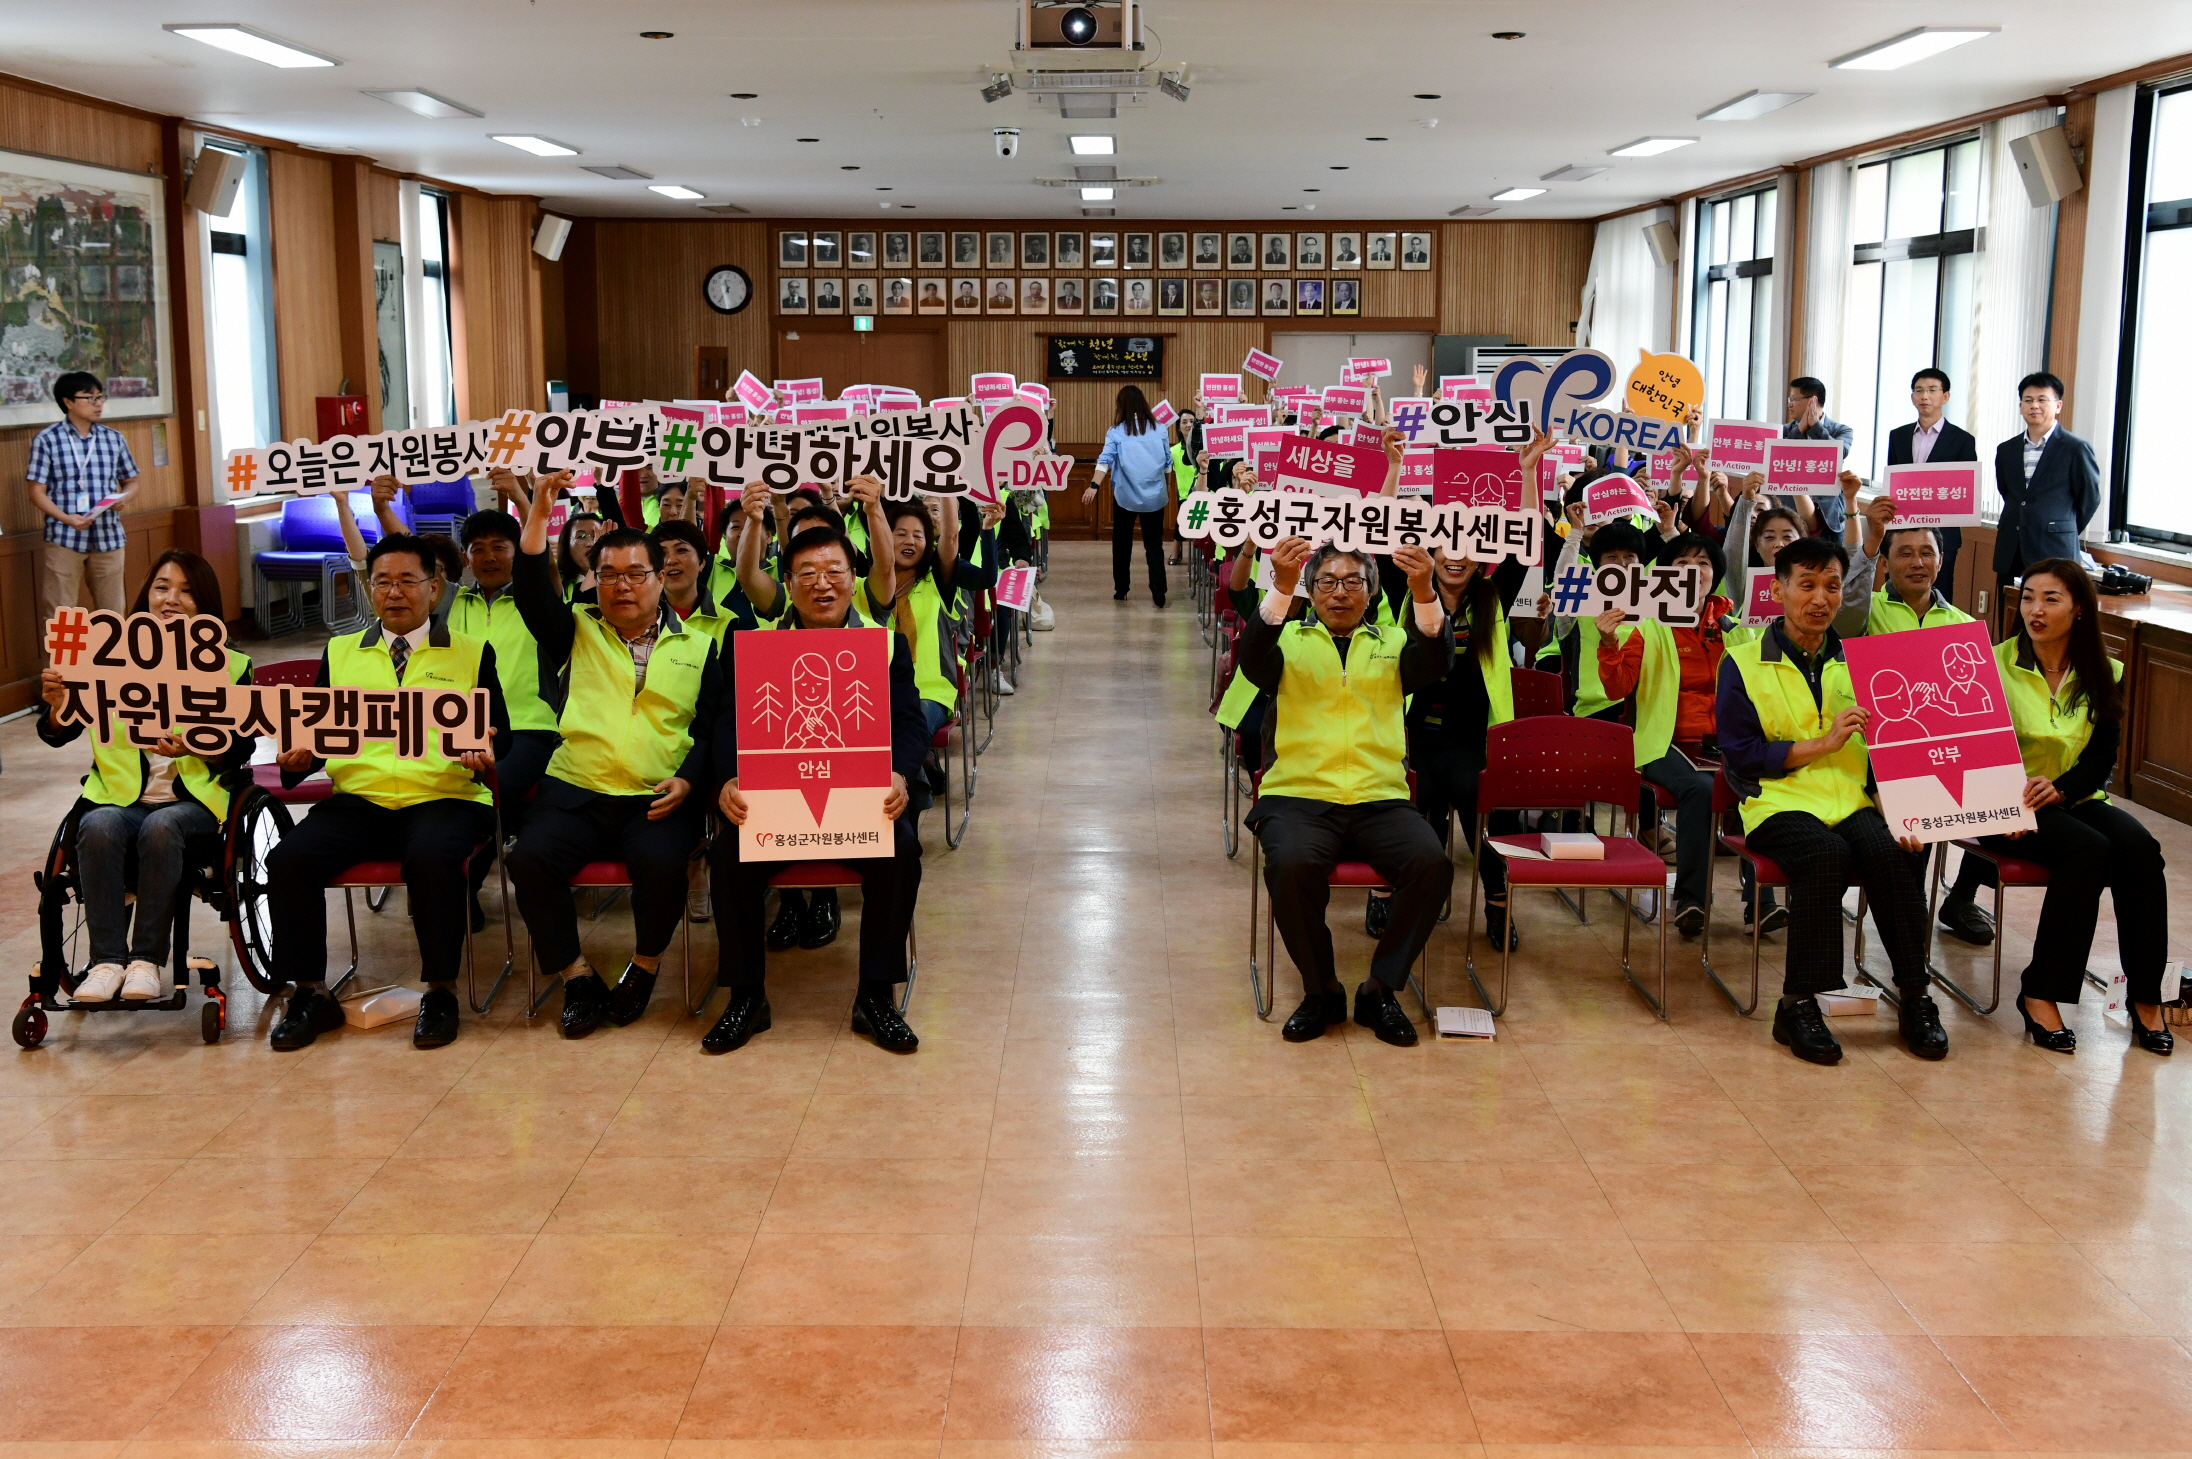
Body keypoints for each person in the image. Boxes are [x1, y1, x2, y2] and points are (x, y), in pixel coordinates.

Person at [266, 533, 509, 1052]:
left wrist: (484, 749)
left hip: (445, 797)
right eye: (382, 582)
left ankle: (440, 992)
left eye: (407, 581)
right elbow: (320, 736)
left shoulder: (471, 652)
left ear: (435, 587)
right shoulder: (340, 652)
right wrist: (302, 755)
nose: (394, 593)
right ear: (368, 590)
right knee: (289, 859)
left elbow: (500, 736)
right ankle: (309, 994)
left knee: (431, 857)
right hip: (361, 799)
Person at [1715, 535, 1947, 1065]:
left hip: (1851, 801)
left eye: (1833, 586)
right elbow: (1742, 755)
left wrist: (1900, 803)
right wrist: (1821, 744)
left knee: (1895, 852)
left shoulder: (1864, 662)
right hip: (1777, 804)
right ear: (1778, 590)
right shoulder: (1744, 662)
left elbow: (1890, 748)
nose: (1821, 598)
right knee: (1826, 855)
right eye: (1807, 585)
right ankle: (1797, 1005)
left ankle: (1915, 996)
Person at [508, 472, 721, 1039]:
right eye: (609, 575)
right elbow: (530, 590)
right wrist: (536, 511)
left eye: (636, 574)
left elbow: (712, 728)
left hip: (655, 795)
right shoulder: (574, 630)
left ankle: (644, 967)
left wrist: (688, 781)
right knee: (528, 860)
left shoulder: (700, 645)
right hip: (575, 790)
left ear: (661, 578)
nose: (622, 586)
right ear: (592, 579)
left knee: (663, 866)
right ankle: (575, 974)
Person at [708, 523, 929, 1055]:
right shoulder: (752, 647)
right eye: (807, 573)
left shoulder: (884, 646)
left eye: (835, 572)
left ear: (855, 581)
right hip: (777, 805)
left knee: (900, 849)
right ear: (786, 583)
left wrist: (899, 772)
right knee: (727, 852)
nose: (822, 584)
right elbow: (723, 725)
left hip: (857, 801)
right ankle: (746, 997)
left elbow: (911, 723)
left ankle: (875, 996)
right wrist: (725, 781)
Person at [1240, 537, 1453, 1047]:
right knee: (1289, 867)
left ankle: (1381, 989)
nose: (1340, 593)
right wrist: (1281, 587)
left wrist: (1424, 590)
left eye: (1352, 582)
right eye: (1327, 583)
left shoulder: (1394, 642)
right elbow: (1252, 658)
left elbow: (1437, 660)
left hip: (1378, 796)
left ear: (1371, 592)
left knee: (1432, 863)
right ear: (1311, 592)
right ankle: (1321, 992)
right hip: (1298, 796)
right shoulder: (1289, 639)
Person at [36, 551, 253, 1003]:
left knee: (162, 825)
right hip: (116, 799)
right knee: (97, 826)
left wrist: (198, 745)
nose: (171, 599)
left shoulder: (232, 665)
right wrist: (57, 706)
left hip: (193, 805)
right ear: (145, 594)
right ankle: (106, 963)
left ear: (205, 603)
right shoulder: (103, 655)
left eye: (186, 590)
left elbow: (243, 749)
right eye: (161, 587)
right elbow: (58, 732)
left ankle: (147, 962)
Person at [1974, 560, 2171, 1055]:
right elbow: (1972, 746)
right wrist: (2005, 805)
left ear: (2079, 608)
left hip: (2071, 797)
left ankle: (2146, 998)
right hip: (2003, 805)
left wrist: (2061, 789)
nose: (2035, 610)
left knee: (2141, 850)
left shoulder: (2105, 671)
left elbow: (2104, 753)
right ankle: (2040, 991)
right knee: (2089, 851)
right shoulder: (1990, 663)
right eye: (2028, 598)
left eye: (2051, 599)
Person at [1590, 531, 1735, 937]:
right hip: (1663, 742)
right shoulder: (1650, 628)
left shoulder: (1735, 629)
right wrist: (1607, 643)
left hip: (1722, 745)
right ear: (1667, 576)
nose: (1694, 572)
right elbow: (1617, 688)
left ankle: (1762, 902)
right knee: (1701, 791)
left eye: (1703, 564)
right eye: (1683, 565)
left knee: (1760, 781)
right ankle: (1691, 900)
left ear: (1715, 575)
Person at [28, 371, 140, 638]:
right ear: (68, 402)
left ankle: (113, 678)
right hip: (65, 537)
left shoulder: (113, 438)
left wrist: (124, 498)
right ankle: (61, 679)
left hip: (108, 537)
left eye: (100, 397)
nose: (98, 403)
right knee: (60, 617)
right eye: (89, 398)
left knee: (112, 615)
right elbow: (36, 491)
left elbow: (132, 481)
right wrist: (67, 518)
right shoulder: (47, 439)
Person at [1991, 372, 2100, 584]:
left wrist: (2059, 526)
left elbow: (2089, 499)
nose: (2034, 406)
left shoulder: (2075, 448)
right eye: (2028, 400)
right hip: (2012, 548)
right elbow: (2008, 492)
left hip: (2054, 549)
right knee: (2010, 612)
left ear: (2058, 405)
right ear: (2021, 405)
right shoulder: (2006, 449)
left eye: (2042, 400)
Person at [1885, 367, 1978, 594]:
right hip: (1902, 530)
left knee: (1939, 594)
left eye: (1932, 390)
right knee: (1896, 593)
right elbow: (1893, 483)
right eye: (1919, 390)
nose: (1924, 396)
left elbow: (1964, 491)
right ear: (1912, 397)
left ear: (1945, 396)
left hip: (1942, 535)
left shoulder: (1962, 440)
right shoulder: (1898, 436)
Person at [1085, 385, 1173, 607]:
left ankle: (1121, 588)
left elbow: (1104, 461)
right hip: (1155, 496)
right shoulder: (1160, 429)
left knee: (1122, 542)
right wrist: (1167, 488)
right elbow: (1167, 464)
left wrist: (1093, 485)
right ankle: (1158, 589)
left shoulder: (1116, 431)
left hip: (1125, 496)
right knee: (1154, 544)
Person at [1780, 377, 1857, 535]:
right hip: (1790, 513)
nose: (1789, 404)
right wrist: (1800, 429)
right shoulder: (1784, 431)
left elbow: (1837, 453)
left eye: (1793, 399)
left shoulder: (1842, 430)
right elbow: (1779, 456)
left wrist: (1816, 427)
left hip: (1829, 515)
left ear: (1812, 401)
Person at [558, 510, 605, 601]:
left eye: (596, 535)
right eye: (581, 537)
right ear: (566, 545)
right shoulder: (556, 582)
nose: (590, 543)